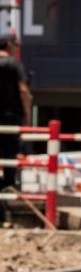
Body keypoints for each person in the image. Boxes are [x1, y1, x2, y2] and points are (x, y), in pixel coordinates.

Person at [0, 33, 31, 220]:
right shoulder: (13, 64)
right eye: (15, 45)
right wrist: (27, 114)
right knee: (10, 170)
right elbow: (23, 90)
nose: (17, 48)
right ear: (8, 45)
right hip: (9, 121)